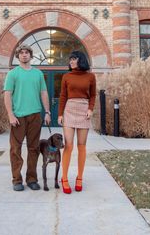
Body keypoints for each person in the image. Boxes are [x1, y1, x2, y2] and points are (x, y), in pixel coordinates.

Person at [4, 44, 51, 191]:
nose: (24, 55)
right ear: (18, 56)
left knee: (34, 148)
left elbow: (44, 93)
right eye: (21, 53)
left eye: (27, 53)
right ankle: (17, 180)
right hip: (18, 117)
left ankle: (32, 179)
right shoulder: (13, 74)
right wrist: (10, 114)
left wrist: (48, 112)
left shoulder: (38, 74)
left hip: (35, 115)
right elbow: (7, 94)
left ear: (31, 56)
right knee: (15, 149)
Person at [58, 50, 96, 194]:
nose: (71, 61)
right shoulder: (66, 76)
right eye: (70, 59)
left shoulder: (90, 76)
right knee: (68, 145)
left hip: (84, 110)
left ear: (81, 60)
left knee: (82, 146)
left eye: (74, 59)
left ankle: (79, 178)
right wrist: (60, 114)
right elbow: (62, 96)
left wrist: (90, 109)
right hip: (69, 110)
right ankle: (64, 178)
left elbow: (92, 95)